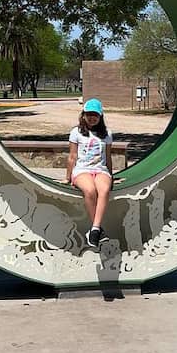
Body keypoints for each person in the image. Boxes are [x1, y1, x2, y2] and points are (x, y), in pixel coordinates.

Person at [66, 98, 116, 249]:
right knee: (89, 190)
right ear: (83, 115)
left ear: (100, 117)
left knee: (104, 189)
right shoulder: (76, 132)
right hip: (82, 170)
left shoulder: (106, 134)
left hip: (100, 170)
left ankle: (94, 229)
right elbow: (72, 156)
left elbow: (107, 157)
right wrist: (68, 177)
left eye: (95, 115)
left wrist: (111, 176)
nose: (92, 118)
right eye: (89, 114)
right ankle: (98, 231)